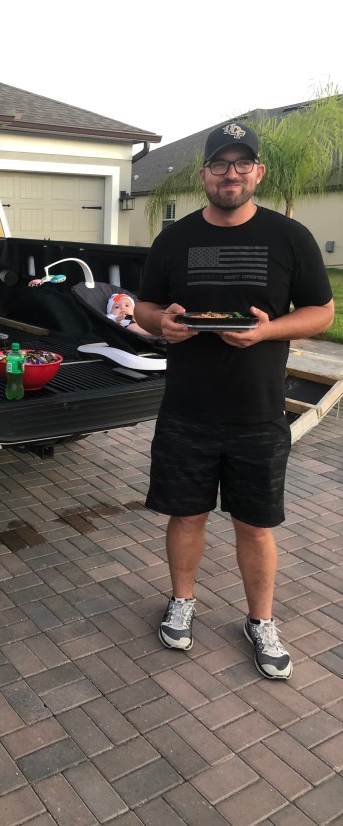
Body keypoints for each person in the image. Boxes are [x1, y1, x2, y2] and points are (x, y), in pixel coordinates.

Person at [134, 122, 334, 680]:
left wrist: (268, 331)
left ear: (258, 172)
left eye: (243, 164)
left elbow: (322, 313)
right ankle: (182, 601)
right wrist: (161, 324)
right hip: (187, 410)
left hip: (258, 412)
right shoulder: (174, 239)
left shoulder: (290, 237)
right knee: (186, 515)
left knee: (256, 525)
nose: (232, 174)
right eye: (220, 164)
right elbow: (145, 307)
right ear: (204, 174)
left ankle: (261, 620)